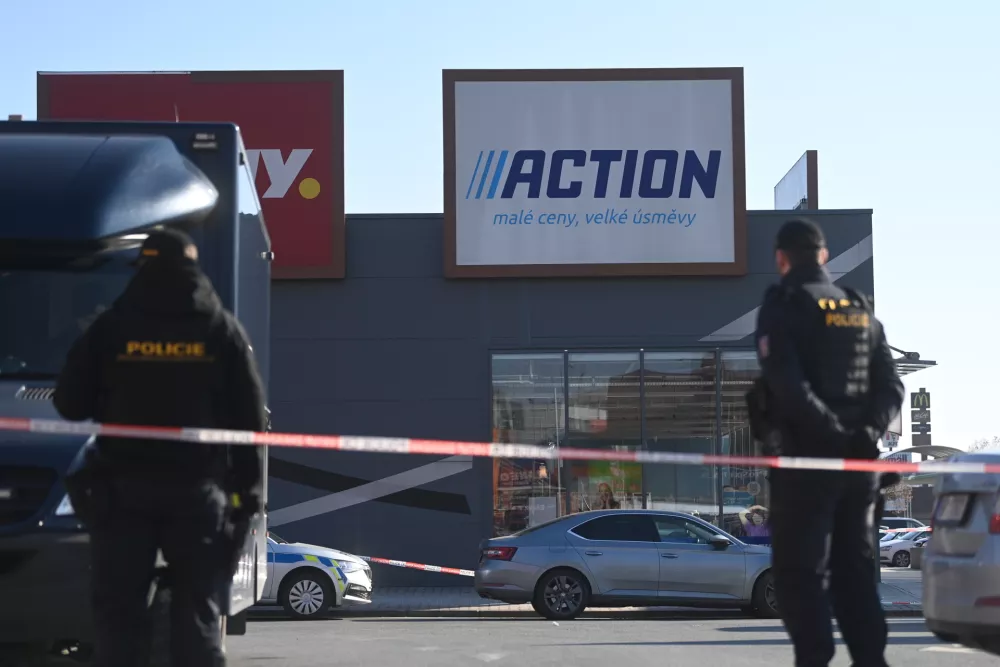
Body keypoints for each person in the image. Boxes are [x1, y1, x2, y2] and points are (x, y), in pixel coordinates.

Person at [53, 228, 268, 667]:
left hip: (123, 494)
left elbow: (69, 404)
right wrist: (248, 498)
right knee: (198, 618)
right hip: (198, 496)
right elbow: (248, 423)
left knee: (120, 621)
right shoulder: (220, 330)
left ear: (143, 268)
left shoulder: (112, 326)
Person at [751, 219, 904, 667]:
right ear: (823, 256)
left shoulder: (784, 303)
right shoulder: (857, 307)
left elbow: (787, 384)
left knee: (801, 575)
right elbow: (891, 387)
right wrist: (864, 437)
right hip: (859, 470)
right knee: (855, 575)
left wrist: (834, 438)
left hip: (807, 465)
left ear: (781, 259)